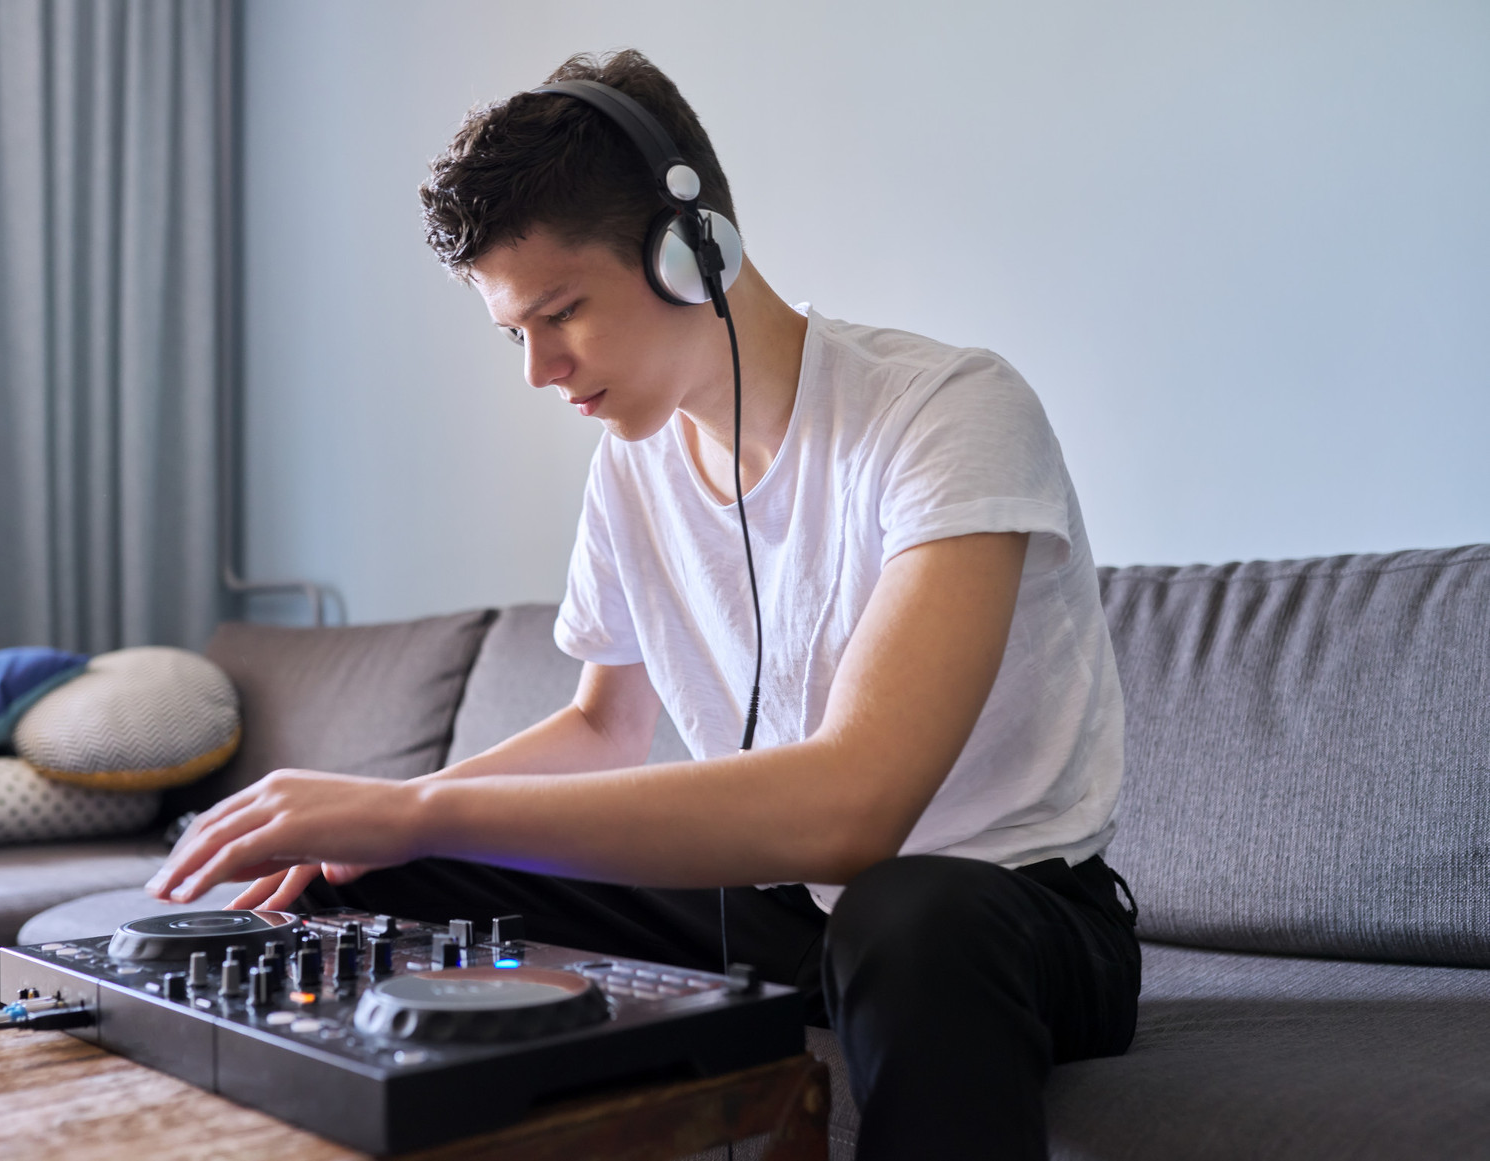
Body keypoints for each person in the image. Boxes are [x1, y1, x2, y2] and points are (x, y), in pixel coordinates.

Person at [148, 48, 1140, 1160]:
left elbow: (856, 813)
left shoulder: (949, 411)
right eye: (514, 332)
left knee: (905, 913)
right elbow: (601, 728)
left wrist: (411, 808)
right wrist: (378, 821)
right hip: (780, 909)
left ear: (693, 250)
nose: (538, 371)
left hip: (1009, 918)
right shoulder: (633, 467)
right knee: (381, 876)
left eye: (562, 312)